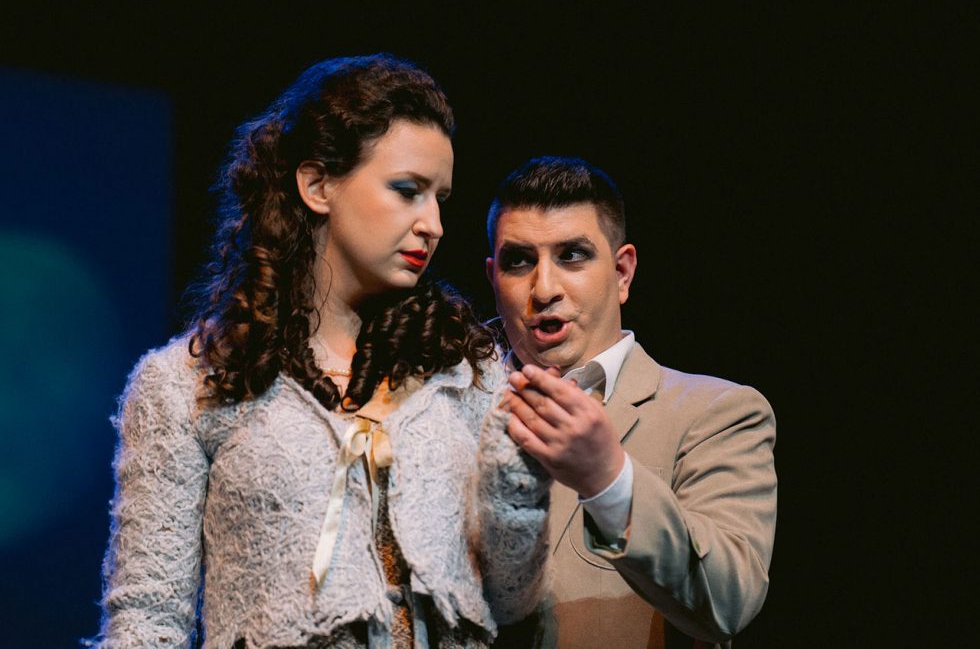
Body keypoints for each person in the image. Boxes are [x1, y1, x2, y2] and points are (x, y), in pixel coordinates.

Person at [91, 54, 541, 649]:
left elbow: (510, 599)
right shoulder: (186, 384)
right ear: (317, 185)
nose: (432, 223)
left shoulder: (467, 375)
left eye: (441, 198)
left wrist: (517, 486)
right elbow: (148, 620)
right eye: (407, 191)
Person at [479, 156, 777, 648]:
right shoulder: (444, 408)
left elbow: (729, 600)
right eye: (519, 261)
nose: (544, 288)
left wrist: (609, 478)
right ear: (494, 279)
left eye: (572, 255)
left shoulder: (716, 413)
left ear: (622, 273)